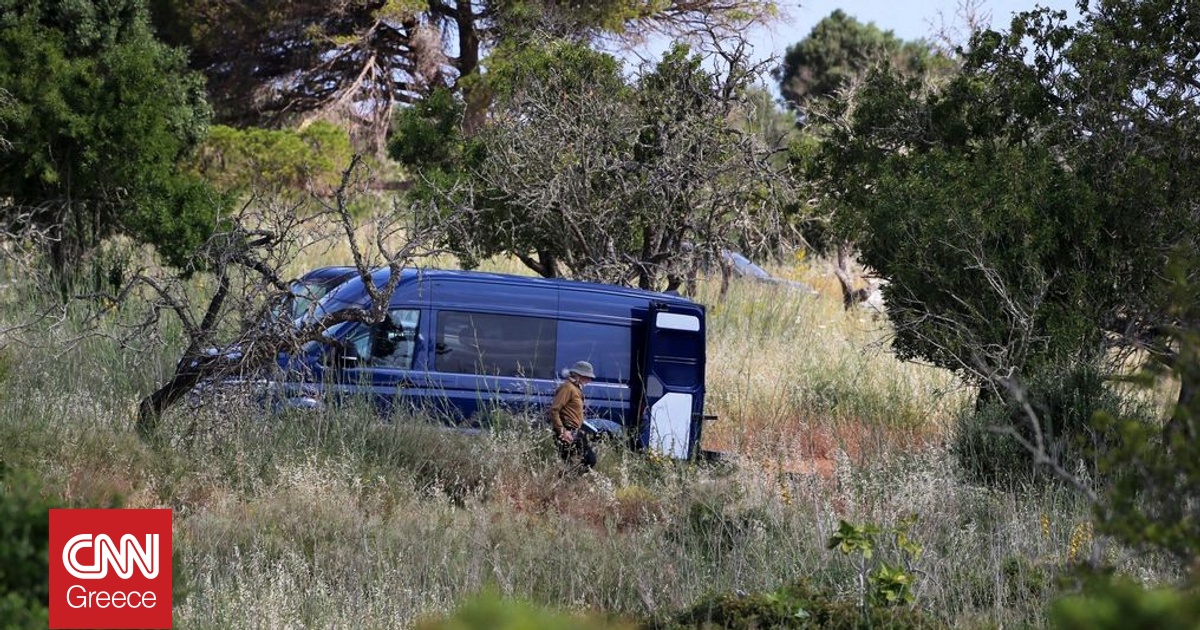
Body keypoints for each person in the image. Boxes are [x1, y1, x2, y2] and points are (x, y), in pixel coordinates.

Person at [548, 360, 597, 471]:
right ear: (578, 375)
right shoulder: (568, 388)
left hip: (575, 431)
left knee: (578, 462)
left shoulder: (576, 389)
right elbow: (554, 410)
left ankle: (566, 481)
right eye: (587, 376)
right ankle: (566, 480)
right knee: (589, 460)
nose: (589, 380)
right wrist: (562, 431)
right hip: (567, 432)